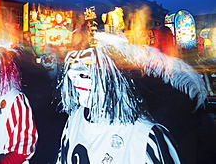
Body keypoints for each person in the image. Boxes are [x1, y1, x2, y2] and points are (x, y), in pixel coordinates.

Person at [55, 32, 206, 164]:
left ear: (115, 76)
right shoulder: (76, 119)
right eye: (71, 63)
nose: (75, 74)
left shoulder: (144, 137)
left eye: (88, 64)